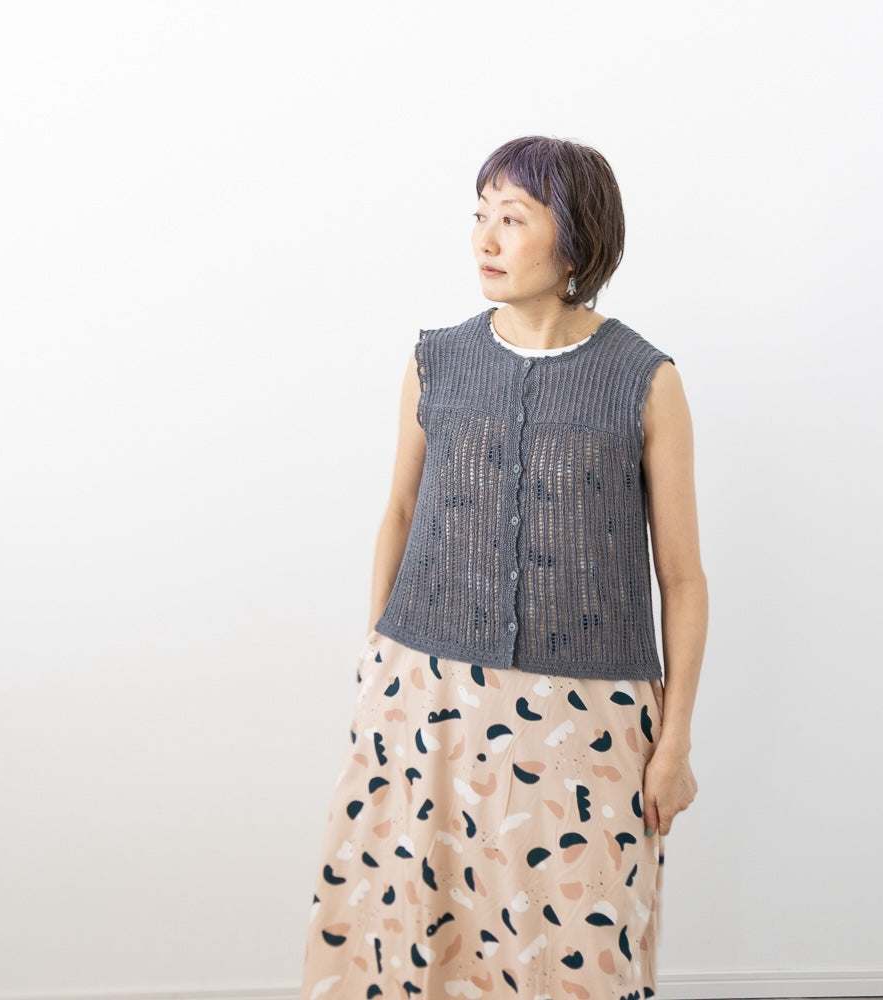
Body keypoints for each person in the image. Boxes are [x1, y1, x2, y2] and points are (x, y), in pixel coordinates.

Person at [299, 135, 707, 999]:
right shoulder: (436, 360)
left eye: (512, 219)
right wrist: (376, 660)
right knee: (417, 927)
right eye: (479, 215)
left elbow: (682, 577)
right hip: (427, 699)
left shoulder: (645, 380)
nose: (484, 239)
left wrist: (674, 743)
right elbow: (399, 512)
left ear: (577, 239)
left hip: (589, 717)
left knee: (577, 945)